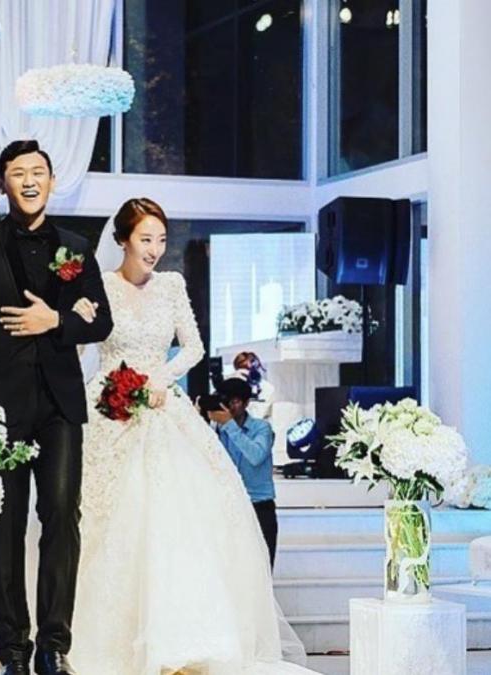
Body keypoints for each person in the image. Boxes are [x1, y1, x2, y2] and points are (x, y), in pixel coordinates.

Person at [69, 198, 309, 674]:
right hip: (111, 406)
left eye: (161, 239)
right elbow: (78, 346)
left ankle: (183, 637)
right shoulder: (102, 286)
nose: (155, 249)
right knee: (105, 517)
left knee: (177, 515)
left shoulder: (172, 285)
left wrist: (160, 378)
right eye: (145, 239)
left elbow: (194, 347)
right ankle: (101, 637)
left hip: (162, 404)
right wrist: (76, 326)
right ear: (122, 240)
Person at [0, 140, 112, 675]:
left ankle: (53, 645)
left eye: (38, 171)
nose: (30, 180)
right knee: (5, 525)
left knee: (62, 515)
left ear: (52, 180)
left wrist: (56, 320)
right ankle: (12, 648)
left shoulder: (76, 248)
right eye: (18, 173)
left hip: (60, 404)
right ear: (2, 184)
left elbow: (102, 322)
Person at [208, 377, 279, 568]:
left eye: (235, 401)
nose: (230, 407)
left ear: (247, 403)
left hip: (259, 504)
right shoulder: (216, 431)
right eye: (226, 401)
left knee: (263, 566)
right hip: (228, 505)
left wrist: (229, 425)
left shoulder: (261, 428)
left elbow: (256, 456)